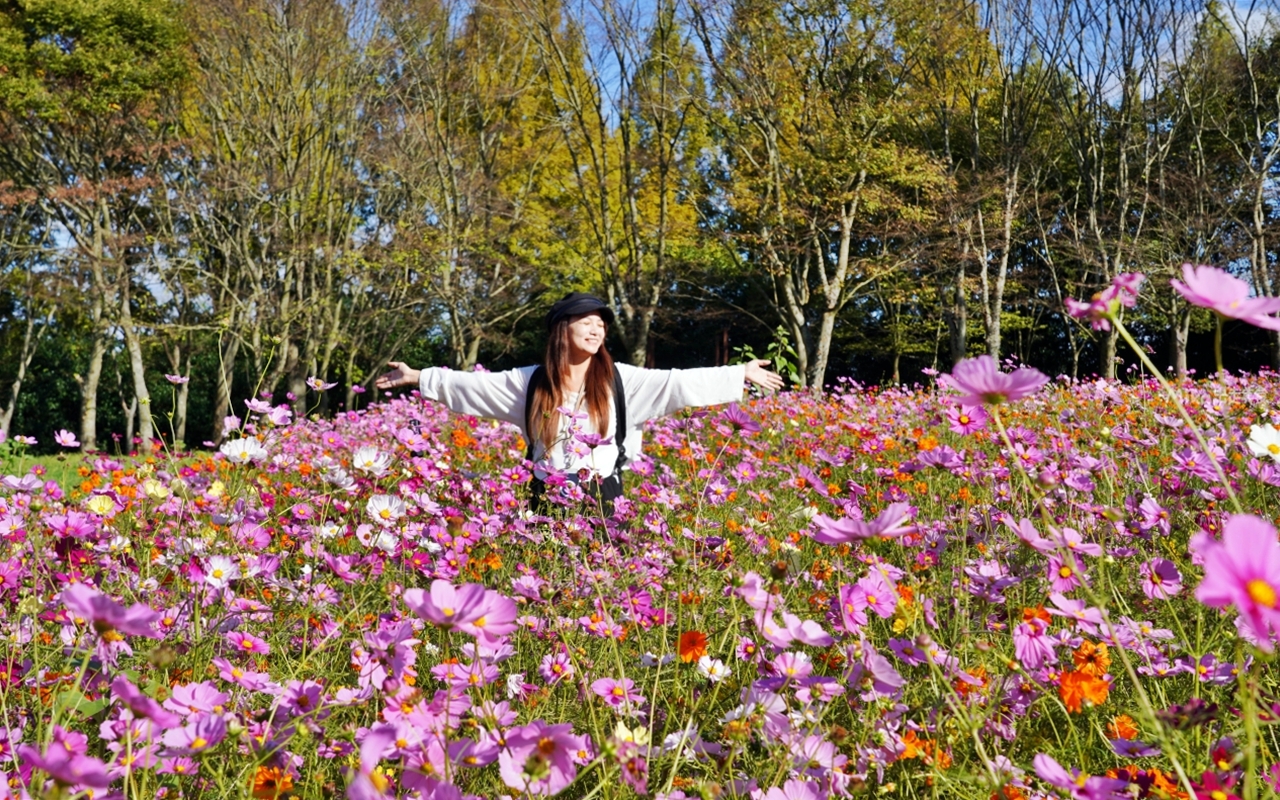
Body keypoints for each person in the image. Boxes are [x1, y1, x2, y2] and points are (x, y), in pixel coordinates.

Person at [375, 292, 784, 509]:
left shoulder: (621, 380)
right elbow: (473, 387)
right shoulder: (530, 383)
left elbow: (677, 383)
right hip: (545, 501)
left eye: (600, 324)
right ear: (561, 330)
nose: (596, 330)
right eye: (586, 322)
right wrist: (419, 376)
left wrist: (738, 374)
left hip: (604, 500)